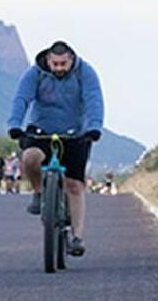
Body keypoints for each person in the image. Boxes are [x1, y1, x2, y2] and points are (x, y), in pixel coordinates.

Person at [7, 40, 104, 256]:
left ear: (71, 60)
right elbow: (21, 98)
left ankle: (77, 237)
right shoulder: (35, 73)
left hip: (74, 133)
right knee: (30, 158)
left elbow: (93, 99)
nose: (59, 68)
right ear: (48, 61)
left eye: (63, 64)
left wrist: (94, 127)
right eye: (55, 64)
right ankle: (40, 192)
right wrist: (14, 124)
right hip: (40, 130)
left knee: (74, 185)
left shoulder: (85, 72)